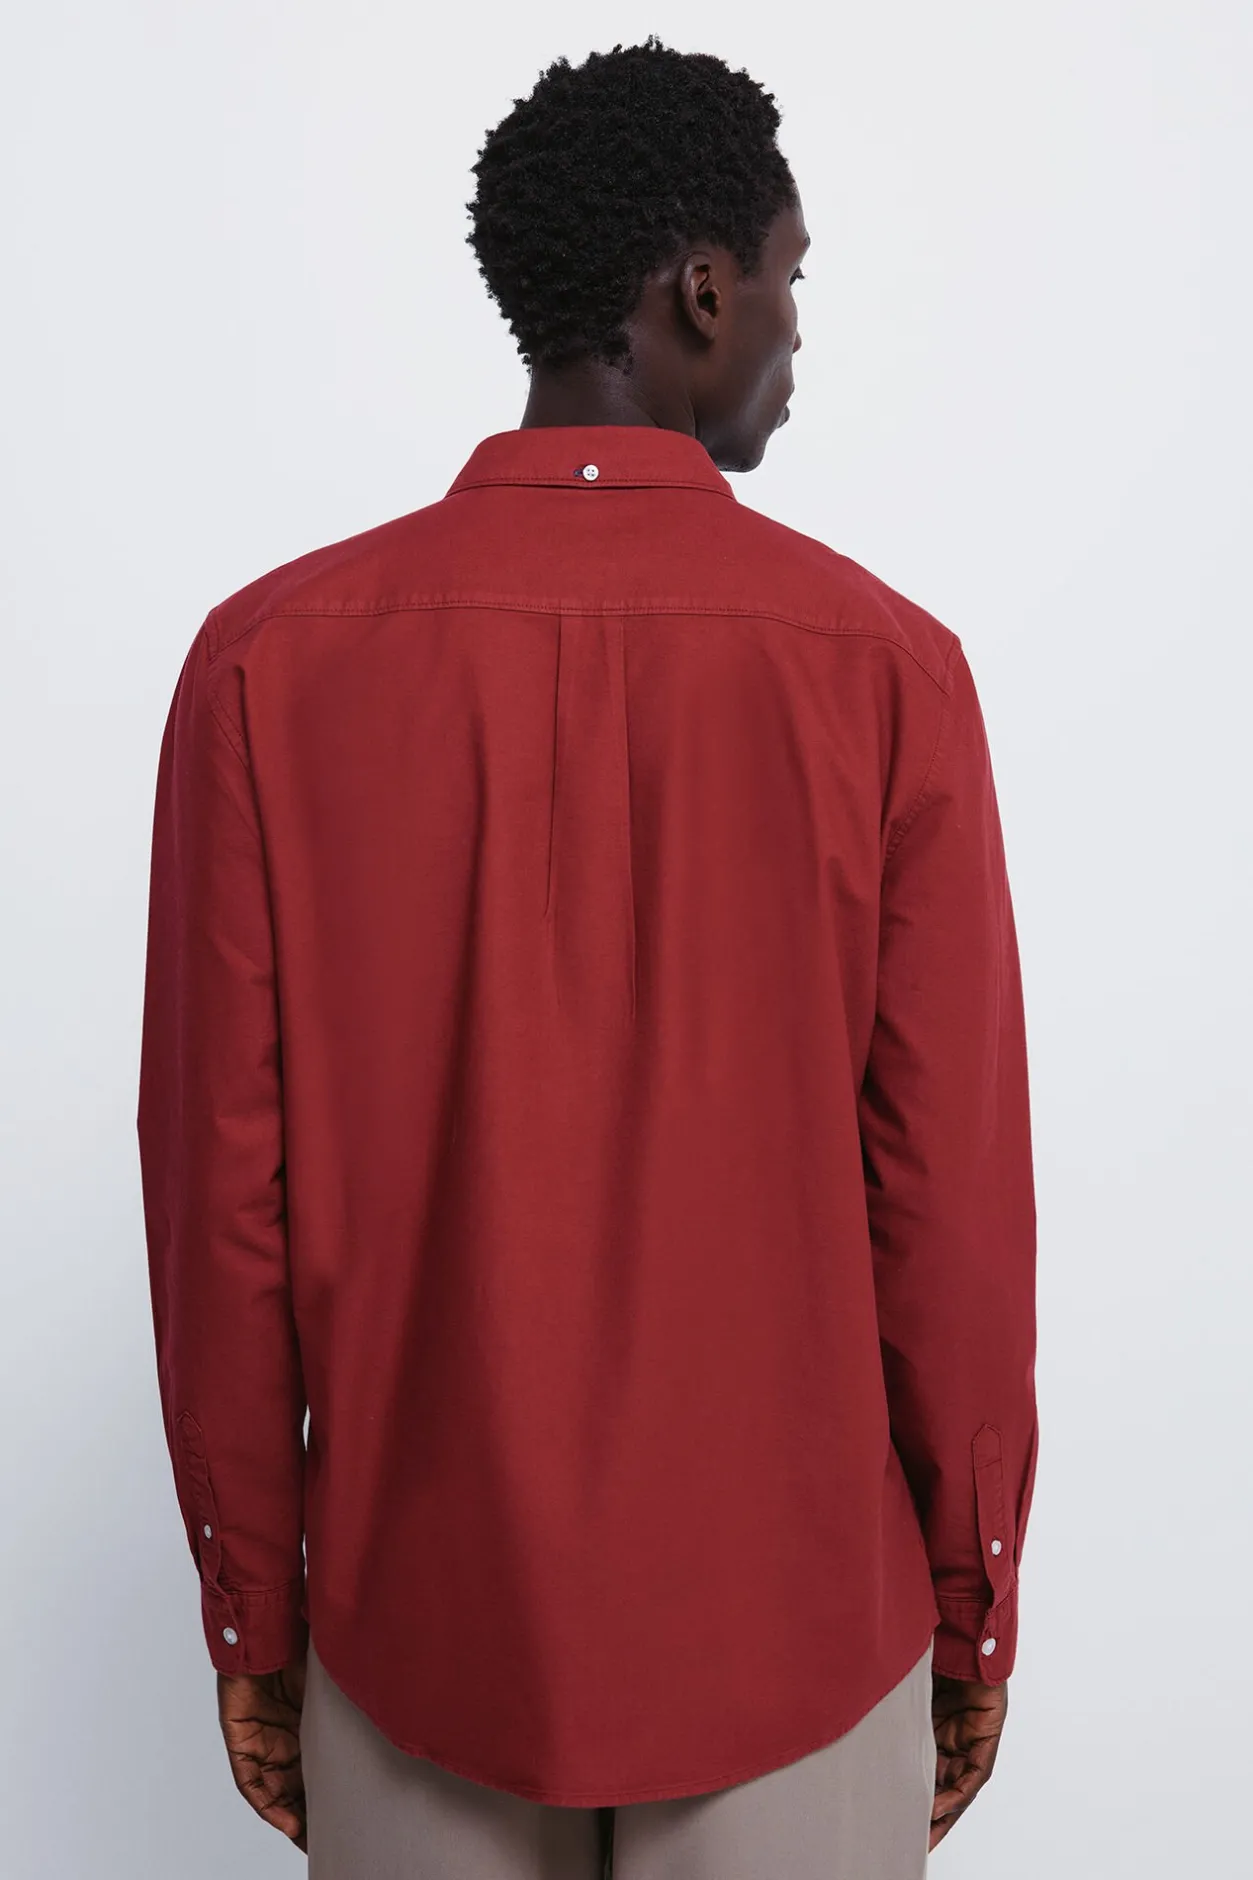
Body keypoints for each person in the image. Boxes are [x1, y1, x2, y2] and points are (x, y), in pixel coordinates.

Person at [136, 34, 1038, 1879]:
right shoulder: (888, 671)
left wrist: (256, 1612)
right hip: (801, 1637)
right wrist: (973, 1597)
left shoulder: (265, 666)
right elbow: (947, 1197)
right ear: (701, 293)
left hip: (416, 1633)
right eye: (789, 278)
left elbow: (218, 1197)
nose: (797, 328)